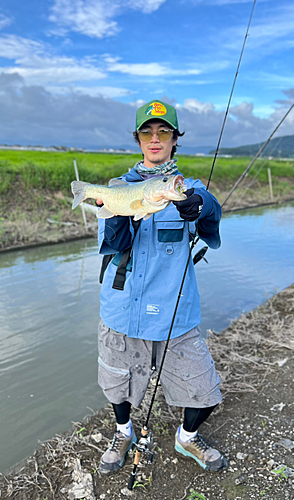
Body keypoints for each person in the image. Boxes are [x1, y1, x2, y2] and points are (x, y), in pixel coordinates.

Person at [96, 100, 227, 475]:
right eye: (147, 132)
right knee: (117, 387)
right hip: (123, 308)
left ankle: (186, 437)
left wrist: (201, 205)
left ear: (174, 140)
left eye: (164, 131)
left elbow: (212, 211)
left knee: (205, 391)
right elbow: (114, 246)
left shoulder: (188, 187)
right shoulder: (118, 188)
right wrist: (119, 215)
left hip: (175, 313)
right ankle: (123, 432)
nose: (155, 138)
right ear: (138, 139)